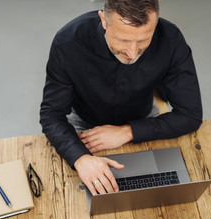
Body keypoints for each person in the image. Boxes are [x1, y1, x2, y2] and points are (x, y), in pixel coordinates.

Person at [40, 0, 202, 196]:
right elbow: (51, 114)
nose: (132, 54)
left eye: (144, 40)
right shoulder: (68, 42)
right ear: (103, 21)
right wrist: (80, 159)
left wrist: (128, 132)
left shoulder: (171, 38)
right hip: (85, 127)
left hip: (143, 119)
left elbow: (190, 115)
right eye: (123, 41)